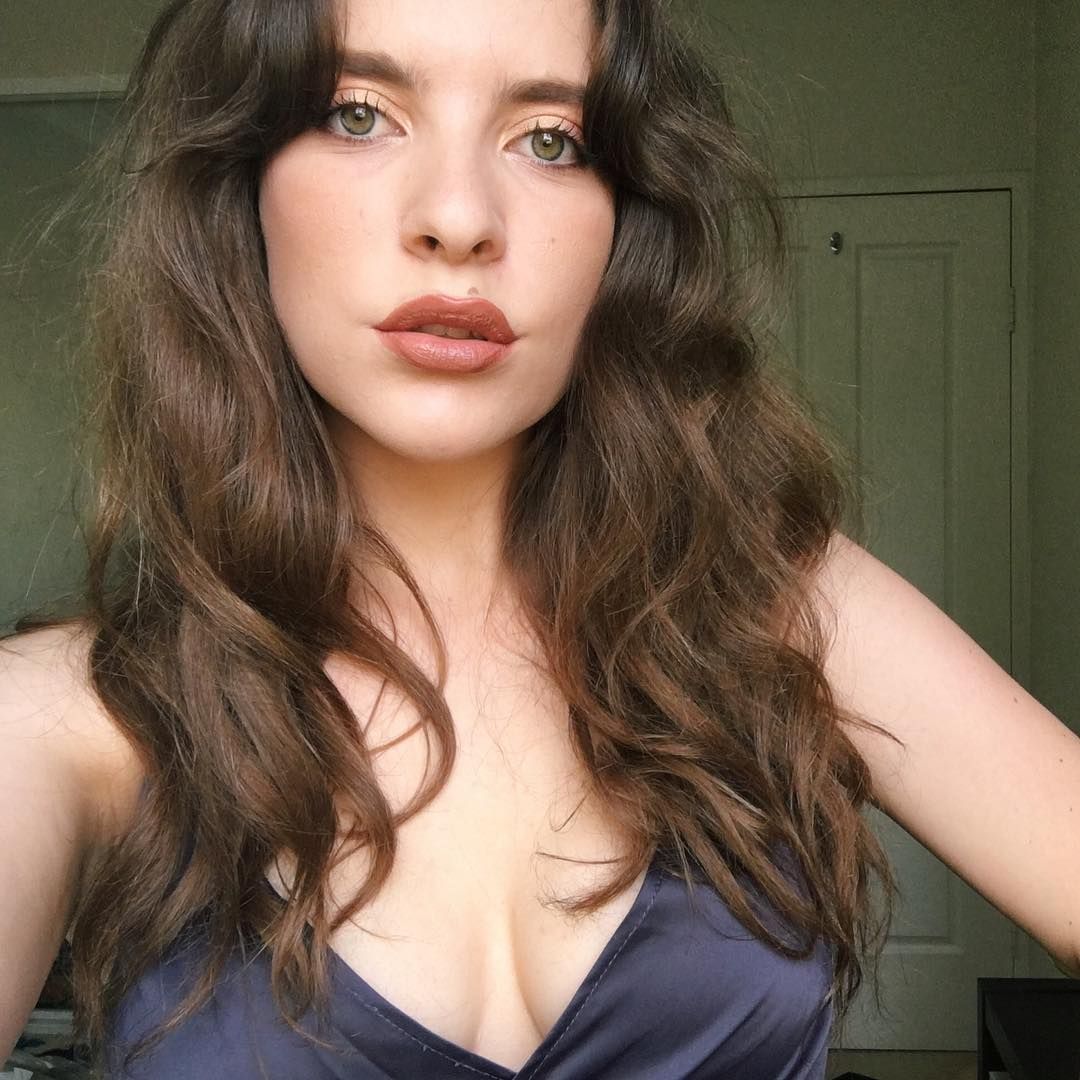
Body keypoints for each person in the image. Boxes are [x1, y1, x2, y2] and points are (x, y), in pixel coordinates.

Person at [2, 0, 1078, 1076]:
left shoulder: (780, 606)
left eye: (550, 139)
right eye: (359, 114)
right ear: (241, 185)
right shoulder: (61, 718)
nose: (460, 217)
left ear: (625, 222)